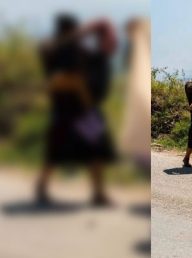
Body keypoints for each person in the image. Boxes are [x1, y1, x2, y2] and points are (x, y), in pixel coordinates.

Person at [37, 14, 117, 206]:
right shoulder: (63, 52)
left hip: (75, 110)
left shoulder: (67, 51)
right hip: (77, 109)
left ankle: (98, 192)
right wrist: (87, 101)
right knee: (63, 149)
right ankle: (43, 185)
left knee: (92, 148)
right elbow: (67, 80)